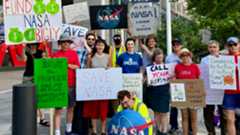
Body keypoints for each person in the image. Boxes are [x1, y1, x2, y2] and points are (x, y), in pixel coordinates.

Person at [83, 38, 110, 135]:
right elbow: (87, 69)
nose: (99, 47)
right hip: (93, 88)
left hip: (104, 88)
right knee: (93, 110)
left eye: (101, 45)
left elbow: (111, 70)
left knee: (103, 110)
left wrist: (109, 69)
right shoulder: (91, 57)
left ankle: (103, 130)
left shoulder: (108, 56)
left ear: (104, 46)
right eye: (98, 45)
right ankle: (94, 130)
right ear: (95, 46)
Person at [53, 36, 80, 135]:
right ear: (60, 44)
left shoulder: (73, 53)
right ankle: (57, 131)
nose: (65, 44)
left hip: (71, 84)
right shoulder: (55, 55)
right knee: (58, 109)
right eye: (63, 42)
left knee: (71, 108)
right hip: (59, 86)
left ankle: (68, 130)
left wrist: (67, 65)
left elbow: (77, 66)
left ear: (69, 43)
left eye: (67, 42)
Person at [71, 32, 96, 135]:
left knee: (87, 105)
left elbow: (91, 53)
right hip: (78, 80)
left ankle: (87, 127)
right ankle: (76, 127)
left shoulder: (94, 50)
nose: (90, 41)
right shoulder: (79, 50)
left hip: (89, 81)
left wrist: (86, 44)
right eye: (88, 39)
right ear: (85, 39)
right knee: (77, 106)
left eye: (92, 39)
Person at [200, 40, 226, 135]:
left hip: (221, 91)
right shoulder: (204, 60)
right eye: (210, 47)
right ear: (208, 48)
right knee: (207, 114)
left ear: (218, 48)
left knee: (223, 113)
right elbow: (202, 75)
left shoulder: (224, 59)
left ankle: (224, 132)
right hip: (208, 91)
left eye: (214, 47)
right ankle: (211, 132)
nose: (212, 49)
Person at [23, 42, 50, 127]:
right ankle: (30, 117)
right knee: (28, 97)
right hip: (28, 76)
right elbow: (23, 59)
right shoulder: (26, 51)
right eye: (31, 44)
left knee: (38, 97)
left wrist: (46, 48)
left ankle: (42, 118)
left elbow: (47, 59)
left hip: (38, 76)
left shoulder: (40, 52)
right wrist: (22, 49)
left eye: (34, 44)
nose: (33, 45)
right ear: (28, 44)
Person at [174, 48, 200, 135]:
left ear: (190, 56)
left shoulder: (195, 66)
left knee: (193, 118)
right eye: (183, 55)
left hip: (193, 95)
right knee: (184, 117)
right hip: (182, 95)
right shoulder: (178, 67)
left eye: (187, 55)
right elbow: (175, 79)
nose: (185, 57)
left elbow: (199, 80)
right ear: (180, 57)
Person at [145, 49, 170, 135]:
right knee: (156, 112)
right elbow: (146, 80)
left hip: (164, 92)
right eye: (157, 57)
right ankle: (159, 130)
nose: (159, 59)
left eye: (161, 57)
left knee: (164, 112)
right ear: (154, 58)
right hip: (154, 92)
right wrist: (147, 81)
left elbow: (171, 78)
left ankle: (164, 130)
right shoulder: (149, 67)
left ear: (163, 57)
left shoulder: (167, 67)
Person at [223, 37, 240, 135]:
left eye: (235, 44)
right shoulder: (222, 59)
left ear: (239, 45)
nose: (233, 47)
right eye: (230, 45)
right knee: (230, 119)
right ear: (227, 46)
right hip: (229, 93)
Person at [165, 38, 182, 134]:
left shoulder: (185, 55)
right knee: (174, 106)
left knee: (185, 106)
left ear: (181, 45)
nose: (176, 46)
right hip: (173, 83)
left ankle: (188, 127)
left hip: (184, 83)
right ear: (172, 46)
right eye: (174, 44)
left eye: (178, 44)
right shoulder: (169, 58)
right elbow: (167, 71)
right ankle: (173, 126)